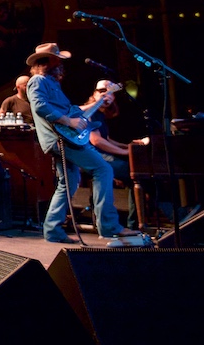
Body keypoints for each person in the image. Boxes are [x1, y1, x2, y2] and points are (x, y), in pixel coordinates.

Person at [24, 43, 140, 243]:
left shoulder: (52, 84)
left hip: (62, 137)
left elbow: (73, 111)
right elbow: (41, 107)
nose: (61, 63)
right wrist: (69, 121)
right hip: (59, 138)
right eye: (57, 59)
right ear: (48, 61)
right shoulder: (37, 81)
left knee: (67, 183)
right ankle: (109, 226)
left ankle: (52, 230)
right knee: (103, 169)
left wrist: (96, 103)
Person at [85, 79, 146, 230]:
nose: (106, 94)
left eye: (110, 92)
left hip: (100, 154)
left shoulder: (100, 115)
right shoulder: (90, 112)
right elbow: (96, 141)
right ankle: (135, 224)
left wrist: (130, 145)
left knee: (139, 174)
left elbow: (106, 139)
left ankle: (135, 224)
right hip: (91, 157)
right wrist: (126, 152)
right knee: (134, 173)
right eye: (102, 91)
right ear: (94, 94)